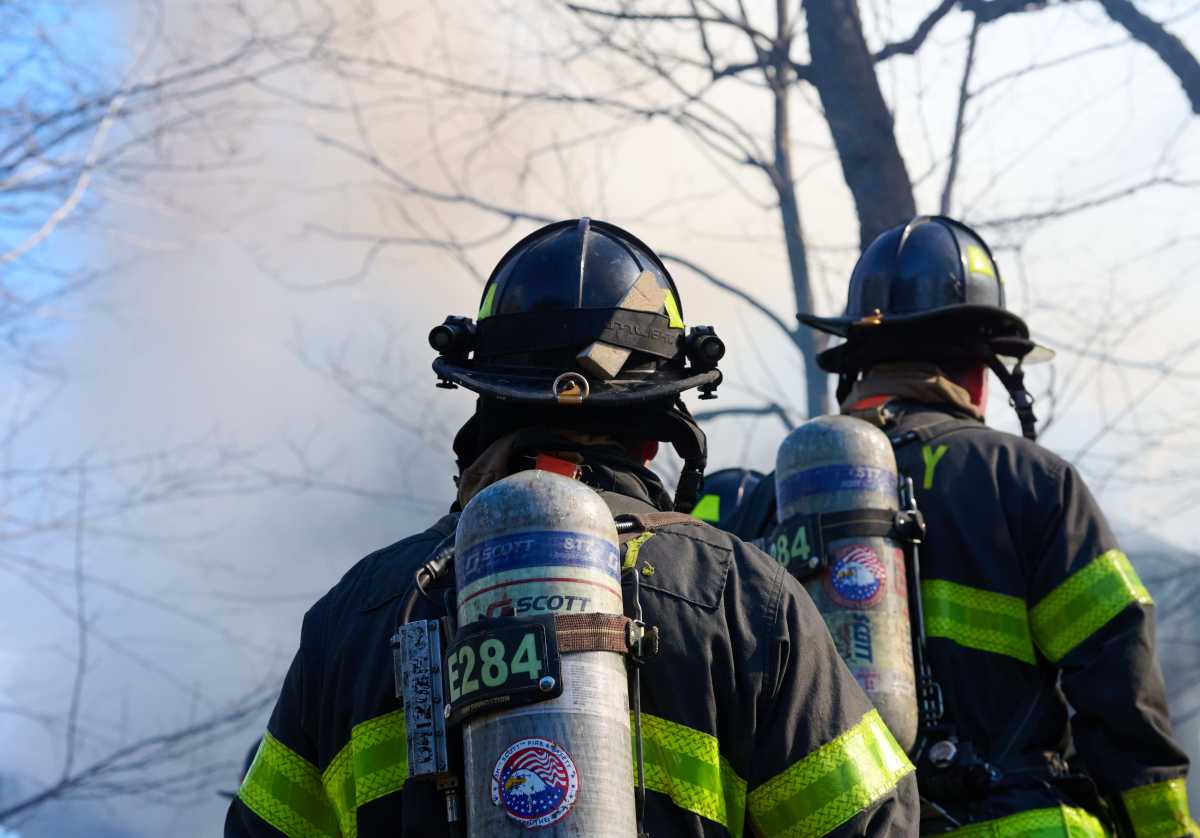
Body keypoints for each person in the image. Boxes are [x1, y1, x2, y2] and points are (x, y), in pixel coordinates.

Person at [224, 218, 919, 838]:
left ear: (485, 401)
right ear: (655, 432)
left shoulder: (355, 616)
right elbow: (873, 824)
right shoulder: (740, 599)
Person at [725, 215, 1194, 837]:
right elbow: (1118, 682)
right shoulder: (1029, 479)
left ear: (855, 368)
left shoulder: (767, 509)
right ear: (981, 370)